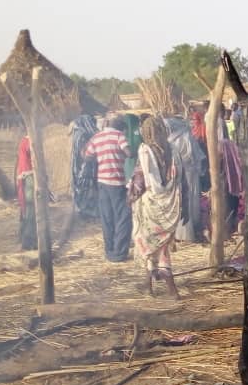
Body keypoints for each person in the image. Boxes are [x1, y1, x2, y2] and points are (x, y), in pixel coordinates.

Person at [129, 117, 182, 298]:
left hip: (151, 206)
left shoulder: (145, 150)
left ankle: (171, 291)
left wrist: (131, 196)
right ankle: (149, 287)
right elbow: (179, 177)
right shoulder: (171, 149)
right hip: (169, 206)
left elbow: (140, 180)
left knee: (151, 246)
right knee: (161, 246)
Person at [84, 116, 133, 262]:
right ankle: (119, 253)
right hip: (116, 182)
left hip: (102, 182)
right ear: (120, 127)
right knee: (123, 217)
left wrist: (101, 158)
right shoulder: (119, 135)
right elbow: (128, 153)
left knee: (107, 217)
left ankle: (109, 251)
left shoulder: (97, 137)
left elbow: (87, 156)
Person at [165, 116, 204, 242]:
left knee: (184, 200)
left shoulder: (176, 139)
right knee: (188, 199)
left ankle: (184, 230)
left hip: (183, 174)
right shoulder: (186, 136)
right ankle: (187, 227)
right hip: (187, 173)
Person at [71, 115, 99, 219]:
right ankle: (87, 213)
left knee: (82, 189)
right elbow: (83, 153)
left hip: (79, 167)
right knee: (86, 189)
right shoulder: (84, 134)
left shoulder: (77, 133)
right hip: (85, 167)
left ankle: (84, 212)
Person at [15, 132, 36, 250]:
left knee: (26, 209)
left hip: (24, 176)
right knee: (31, 209)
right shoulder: (30, 142)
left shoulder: (23, 140)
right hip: (29, 177)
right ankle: (29, 241)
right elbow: (34, 159)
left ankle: (23, 237)